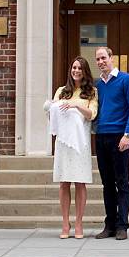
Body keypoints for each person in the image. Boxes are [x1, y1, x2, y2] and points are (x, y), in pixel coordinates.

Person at [47, 56, 98, 239]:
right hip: (63, 143)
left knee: (80, 182)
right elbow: (52, 114)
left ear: (85, 71)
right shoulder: (61, 91)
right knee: (64, 183)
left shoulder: (92, 92)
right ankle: (65, 223)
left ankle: (78, 223)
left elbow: (92, 114)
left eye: (80, 68)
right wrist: (53, 106)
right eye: (74, 67)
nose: (76, 71)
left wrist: (76, 104)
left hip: (81, 144)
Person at [93, 47, 129, 240]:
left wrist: (127, 134)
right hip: (101, 137)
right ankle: (110, 225)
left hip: (120, 137)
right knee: (106, 184)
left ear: (112, 58)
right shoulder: (99, 85)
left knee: (122, 182)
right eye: (97, 59)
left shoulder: (126, 80)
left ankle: (122, 226)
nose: (100, 62)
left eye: (103, 58)